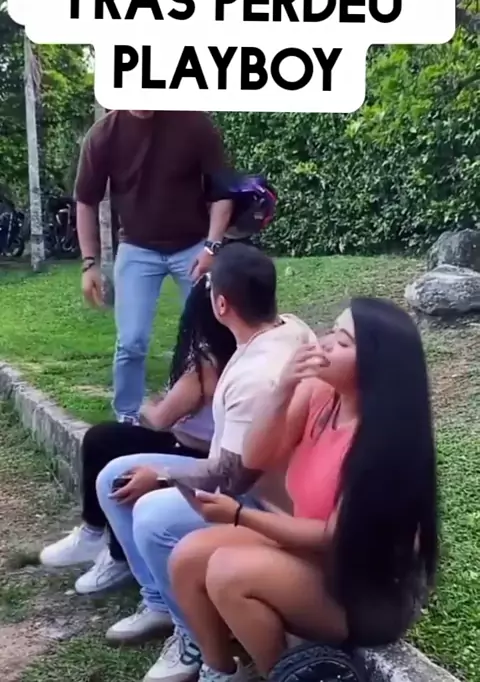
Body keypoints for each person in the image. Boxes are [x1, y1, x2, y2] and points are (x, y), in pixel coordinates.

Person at [168, 298, 439, 682]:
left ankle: (291, 675)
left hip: (362, 592)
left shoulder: (384, 444)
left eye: (343, 343)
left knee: (229, 573)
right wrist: (283, 388)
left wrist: (240, 515)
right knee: (188, 557)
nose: (324, 343)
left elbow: (333, 537)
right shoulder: (321, 395)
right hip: (313, 557)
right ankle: (222, 671)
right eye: (332, 331)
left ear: (375, 367)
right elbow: (255, 455)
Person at [94, 243, 316, 681]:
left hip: (261, 504)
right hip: (241, 482)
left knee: (151, 515)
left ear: (221, 304)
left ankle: (193, 634)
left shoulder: (257, 375)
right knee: (112, 477)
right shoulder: (288, 326)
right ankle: (160, 602)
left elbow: (232, 478)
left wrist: (161, 475)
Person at [39, 276, 237, 594]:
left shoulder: (207, 362)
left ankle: (118, 556)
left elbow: (159, 419)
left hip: (197, 454)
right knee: (104, 439)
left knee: (112, 453)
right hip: (198, 447)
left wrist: (149, 405)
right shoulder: (235, 351)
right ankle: (94, 533)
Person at [75, 109, 233, 422]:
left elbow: (223, 191)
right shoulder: (104, 134)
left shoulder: (193, 122)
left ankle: (215, 414)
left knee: (212, 334)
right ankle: (127, 418)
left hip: (193, 246)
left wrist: (212, 246)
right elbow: (85, 201)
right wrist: (89, 263)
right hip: (137, 248)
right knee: (131, 340)